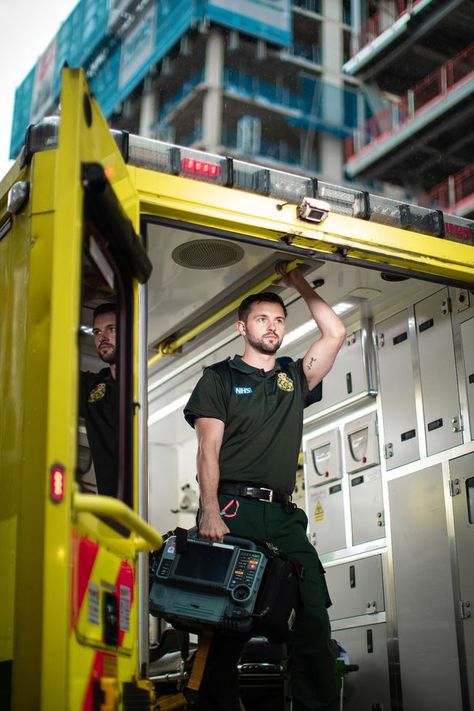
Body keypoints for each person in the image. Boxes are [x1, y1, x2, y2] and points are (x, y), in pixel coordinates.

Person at [183, 263, 346, 711]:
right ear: (242, 327)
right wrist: (209, 510)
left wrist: (296, 283)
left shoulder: (294, 378)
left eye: (278, 320)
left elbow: (334, 332)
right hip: (234, 509)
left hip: (283, 516)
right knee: (226, 622)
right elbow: (207, 450)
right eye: (261, 319)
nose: (272, 327)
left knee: (312, 610)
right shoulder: (219, 378)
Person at [80, 303, 118, 496]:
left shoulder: (141, 386)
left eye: (112, 329)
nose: (102, 338)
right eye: (97, 332)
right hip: (108, 502)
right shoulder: (94, 387)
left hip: (141, 501)